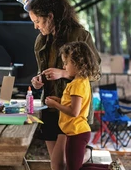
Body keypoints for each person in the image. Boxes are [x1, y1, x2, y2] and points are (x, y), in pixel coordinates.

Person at [26, 0, 101, 170]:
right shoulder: (40, 41)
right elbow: (43, 70)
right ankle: (83, 153)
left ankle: (86, 153)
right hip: (51, 106)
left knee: (62, 162)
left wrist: (64, 73)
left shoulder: (80, 35)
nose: (35, 26)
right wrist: (39, 80)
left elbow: (96, 73)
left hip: (71, 109)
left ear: (50, 16)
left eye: (38, 21)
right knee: (57, 163)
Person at [45, 41, 122, 170]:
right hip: (76, 132)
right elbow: (74, 104)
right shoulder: (82, 81)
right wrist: (59, 101)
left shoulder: (76, 84)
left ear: (77, 63)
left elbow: (74, 112)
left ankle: (112, 169)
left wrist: (55, 105)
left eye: (66, 63)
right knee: (76, 166)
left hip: (77, 133)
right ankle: (112, 167)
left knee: (75, 169)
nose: (64, 67)